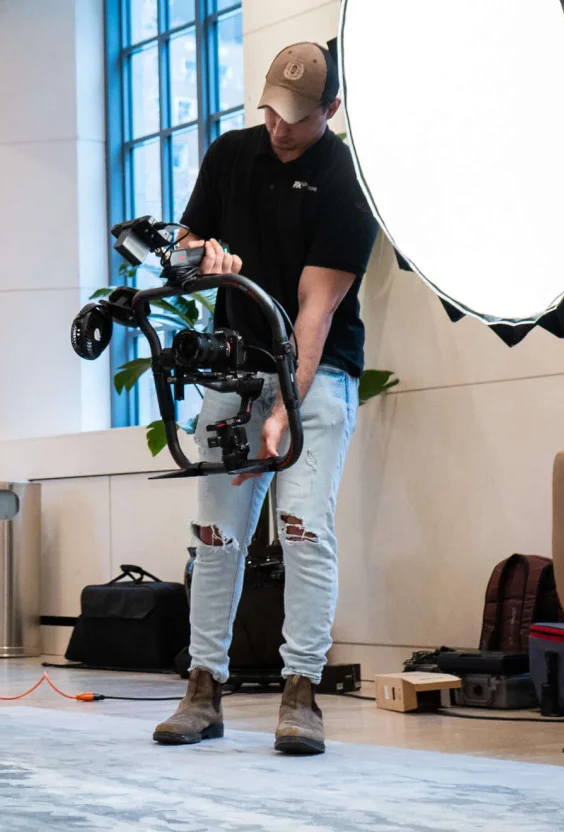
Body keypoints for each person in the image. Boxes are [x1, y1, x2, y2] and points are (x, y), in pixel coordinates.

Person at [152, 42, 378, 756]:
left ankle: (301, 692)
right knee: (217, 536)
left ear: (331, 110)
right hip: (232, 369)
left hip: (317, 371)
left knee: (306, 528)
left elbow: (314, 315)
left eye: (297, 118)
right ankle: (202, 687)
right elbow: (182, 248)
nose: (279, 129)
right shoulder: (231, 154)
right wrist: (199, 256)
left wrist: (284, 411)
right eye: (271, 113)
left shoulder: (346, 179)